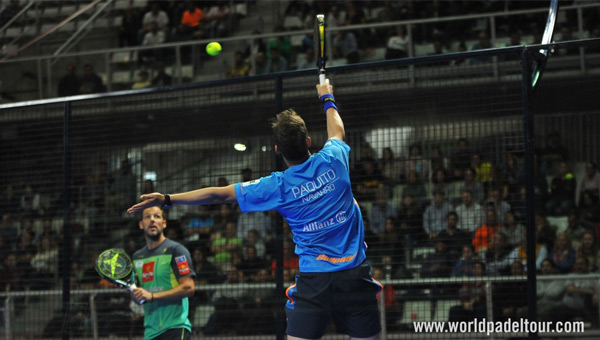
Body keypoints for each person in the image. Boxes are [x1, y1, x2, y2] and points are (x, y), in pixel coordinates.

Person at [128, 78, 382, 340]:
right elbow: (337, 130)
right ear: (308, 141)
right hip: (354, 278)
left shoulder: (276, 185)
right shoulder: (334, 158)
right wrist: (326, 97)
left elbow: (218, 194)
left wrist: (167, 198)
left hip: (314, 283)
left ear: (276, 150)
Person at [130, 206, 196, 340]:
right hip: (150, 332)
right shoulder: (137, 257)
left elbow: (189, 288)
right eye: (147, 217)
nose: (152, 220)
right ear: (141, 224)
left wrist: (152, 296)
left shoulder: (177, 250)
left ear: (164, 223)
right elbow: (141, 297)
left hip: (176, 328)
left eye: (157, 216)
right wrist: (136, 296)